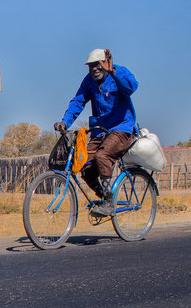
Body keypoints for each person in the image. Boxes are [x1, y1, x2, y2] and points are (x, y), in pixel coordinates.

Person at [54, 48, 138, 216]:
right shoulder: (88, 81)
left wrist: (112, 71)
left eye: (98, 65)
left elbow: (131, 87)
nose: (94, 69)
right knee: (83, 163)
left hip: (122, 129)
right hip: (100, 131)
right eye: (91, 66)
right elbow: (78, 101)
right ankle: (105, 196)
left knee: (102, 156)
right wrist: (65, 121)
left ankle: (108, 203)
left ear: (105, 63)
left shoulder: (118, 73)